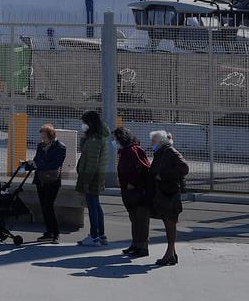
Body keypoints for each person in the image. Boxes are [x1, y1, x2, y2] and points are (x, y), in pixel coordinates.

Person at [149, 130, 189, 267]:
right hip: (165, 192)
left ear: (160, 142)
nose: (152, 144)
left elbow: (184, 168)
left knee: (170, 224)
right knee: (168, 223)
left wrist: (163, 176)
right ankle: (172, 254)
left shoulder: (170, 152)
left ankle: (169, 254)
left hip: (170, 193)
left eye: (153, 141)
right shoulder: (161, 152)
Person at [24, 124, 66, 243]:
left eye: (44, 137)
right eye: (41, 137)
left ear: (50, 136)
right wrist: (27, 165)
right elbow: (37, 160)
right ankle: (49, 232)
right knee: (44, 206)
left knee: (49, 206)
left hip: (52, 180)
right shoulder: (40, 146)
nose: (42, 139)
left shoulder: (60, 147)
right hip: (40, 179)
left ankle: (55, 233)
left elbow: (55, 164)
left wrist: (39, 165)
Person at [114, 127, 152, 258]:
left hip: (138, 192)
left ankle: (142, 247)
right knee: (134, 219)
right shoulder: (125, 151)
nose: (115, 142)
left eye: (116, 139)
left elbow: (145, 169)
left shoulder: (133, 150)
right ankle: (136, 244)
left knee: (141, 220)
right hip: (129, 192)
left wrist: (134, 183)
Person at [75, 110, 110, 246]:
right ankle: (101, 235)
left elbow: (92, 163)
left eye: (84, 122)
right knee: (96, 205)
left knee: (92, 207)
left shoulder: (94, 140)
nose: (82, 125)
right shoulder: (99, 137)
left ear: (90, 123)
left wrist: (86, 182)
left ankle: (94, 236)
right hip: (97, 177)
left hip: (91, 178)